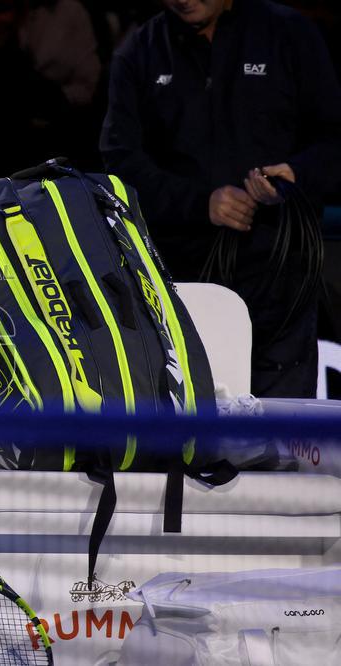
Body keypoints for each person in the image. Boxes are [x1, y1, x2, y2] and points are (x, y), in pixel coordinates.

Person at [100, 0, 341, 397]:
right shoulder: (138, 51)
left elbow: (333, 141)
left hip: (280, 272)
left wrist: (296, 174)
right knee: (191, 433)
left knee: (277, 441)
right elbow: (120, 164)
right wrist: (201, 203)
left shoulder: (289, 35)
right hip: (182, 281)